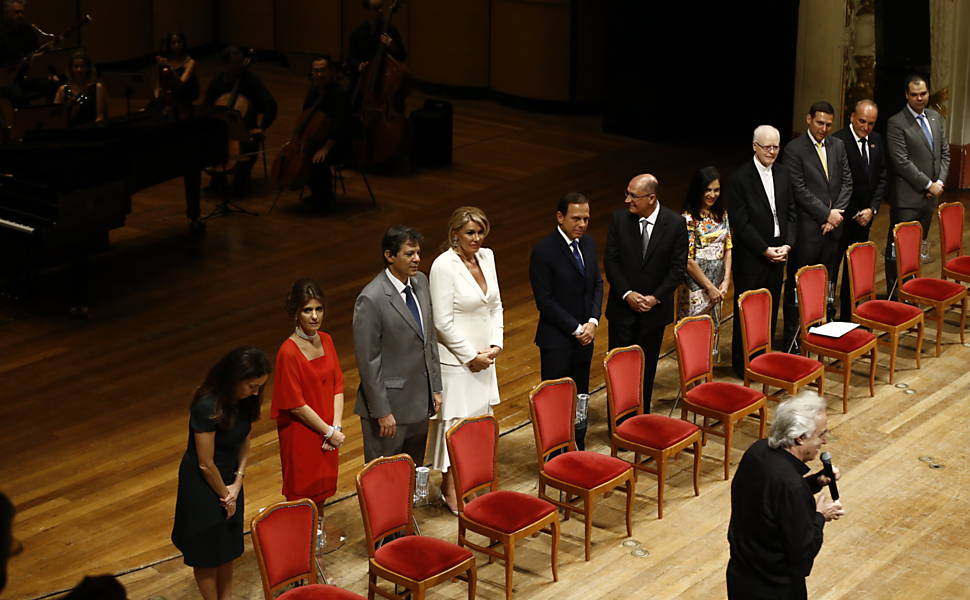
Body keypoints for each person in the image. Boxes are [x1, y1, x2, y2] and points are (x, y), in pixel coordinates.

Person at [171, 346, 270, 600]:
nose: (256, 392)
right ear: (234, 379)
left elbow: (245, 439)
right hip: (203, 485)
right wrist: (226, 494)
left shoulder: (246, 400)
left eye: (260, 386)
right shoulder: (207, 405)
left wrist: (238, 481)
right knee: (207, 552)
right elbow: (205, 463)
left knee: (228, 548)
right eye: (252, 386)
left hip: (230, 482)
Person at [726, 392, 845, 599]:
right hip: (774, 589)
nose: (824, 441)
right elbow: (803, 552)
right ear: (800, 437)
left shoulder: (758, 450)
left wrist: (816, 481)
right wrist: (820, 516)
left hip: (741, 577)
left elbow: (771, 502)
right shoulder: (791, 486)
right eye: (820, 434)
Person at [429, 207, 503, 514]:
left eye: (480, 232)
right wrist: (470, 356)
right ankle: (449, 486)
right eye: (470, 233)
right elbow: (442, 323)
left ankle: (470, 482)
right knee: (456, 425)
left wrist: (495, 344)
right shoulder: (443, 266)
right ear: (455, 233)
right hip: (458, 363)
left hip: (485, 358)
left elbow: (495, 304)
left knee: (478, 424)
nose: (476, 238)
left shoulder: (487, 257)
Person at [353, 225, 442, 465]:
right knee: (385, 477)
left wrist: (435, 387)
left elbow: (429, 339)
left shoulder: (421, 282)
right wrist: (382, 411)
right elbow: (368, 362)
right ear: (389, 256)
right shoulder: (371, 298)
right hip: (390, 409)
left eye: (418, 253)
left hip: (420, 403)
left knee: (411, 473)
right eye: (409, 254)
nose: (417, 259)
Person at [271, 279, 346, 549]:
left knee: (323, 488)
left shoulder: (326, 340)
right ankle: (296, 549)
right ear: (295, 312)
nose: (315, 316)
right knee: (303, 492)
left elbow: (338, 384)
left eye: (319, 309)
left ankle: (316, 537)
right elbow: (295, 404)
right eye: (307, 310)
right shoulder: (287, 352)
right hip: (303, 434)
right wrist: (328, 431)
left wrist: (335, 428)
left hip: (329, 432)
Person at [604, 173, 688, 412]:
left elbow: (677, 268)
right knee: (619, 368)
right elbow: (611, 262)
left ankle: (641, 419)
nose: (627, 200)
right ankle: (617, 424)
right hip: (623, 310)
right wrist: (627, 293)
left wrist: (654, 297)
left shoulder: (674, 224)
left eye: (633, 195)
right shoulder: (619, 220)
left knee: (646, 368)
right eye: (627, 193)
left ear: (651, 198)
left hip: (654, 313)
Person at [529, 192, 603, 449]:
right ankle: (555, 454)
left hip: (585, 339)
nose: (582, 224)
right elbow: (545, 301)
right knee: (555, 401)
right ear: (560, 217)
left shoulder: (589, 244)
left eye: (586, 218)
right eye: (576, 218)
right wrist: (576, 328)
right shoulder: (544, 250)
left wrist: (593, 321)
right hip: (557, 341)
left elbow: (596, 284)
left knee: (580, 396)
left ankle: (577, 447)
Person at [725, 125, 797, 378]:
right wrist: (765, 249)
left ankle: (763, 360)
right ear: (754, 146)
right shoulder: (739, 179)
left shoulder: (784, 174)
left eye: (776, 147)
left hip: (779, 252)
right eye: (767, 147)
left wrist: (787, 244)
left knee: (770, 306)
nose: (772, 151)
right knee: (748, 308)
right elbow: (741, 223)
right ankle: (742, 362)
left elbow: (790, 213)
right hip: (752, 256)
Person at [782, 101, 852, 349]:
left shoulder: (838, 145)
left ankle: (823, 331)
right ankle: (794, 337)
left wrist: (835, 216)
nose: (824, 128)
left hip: (833, 229)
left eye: (829, 124)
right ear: (809, 119)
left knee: (828, 280)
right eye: (820, 122)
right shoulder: (794, 149)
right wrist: (826, 215)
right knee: (800, 282)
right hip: (809, 230)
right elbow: (799, 190)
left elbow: (847, 182)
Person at [885, 75, 950, 295]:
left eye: (923, 94)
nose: (919, 98)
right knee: (899, 249)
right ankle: (895, 296)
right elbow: (901, 162)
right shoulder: (896, 122)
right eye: (914, 95)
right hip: (908, 199)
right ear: (906, 95)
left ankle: (911, 291)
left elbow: (944, 154)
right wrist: (928, 185)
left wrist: (939, 183)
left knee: (917, 250)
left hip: (930, 199)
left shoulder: (935, 118)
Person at [832, 99, 887, 319]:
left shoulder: (877, 140)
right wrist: (855, 212)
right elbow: (837, 184)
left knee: (855, 270)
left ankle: (849, 315)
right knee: (833, 270)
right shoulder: (838, 141)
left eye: (871, 123)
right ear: (852, 117)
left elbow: (882, 177)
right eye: (862, 121)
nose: (866, 127)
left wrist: (872, 209)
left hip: (866, 218)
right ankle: (827, 316)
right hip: (843, 219)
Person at [203, 45, 277, 197]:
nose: (239, 67)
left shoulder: (251, 81)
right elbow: (207, 106)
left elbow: (270, 104)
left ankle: (242, 178)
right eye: (235, 64)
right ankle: (218, 178)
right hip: (221, 128)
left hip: (246, 128)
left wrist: (262, 127)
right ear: (225, 64)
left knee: (249, 142)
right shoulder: (217, 82)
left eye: (240, 62)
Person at [299, 55, 352, 212]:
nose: (319, 74)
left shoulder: (340, 94)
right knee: (301, 158)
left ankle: (324, 197)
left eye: (323, 70)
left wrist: (326, 148)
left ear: (331, 71)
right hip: (316, 139)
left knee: (318, 160)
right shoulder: (313, 91)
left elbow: (341, 126)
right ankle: (317, 192)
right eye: (316, 71)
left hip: (338, 142)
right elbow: (305, 115)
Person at [680, 166, 732, 324]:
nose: (712, 195)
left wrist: (726, 280)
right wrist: (709, 287)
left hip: (718, 280)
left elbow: (728, 247)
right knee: (694, 328)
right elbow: (688, 260)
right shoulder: (688, 218)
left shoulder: (721, 214)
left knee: (713, 328)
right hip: (696, 282)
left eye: (716, 190)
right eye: (707, 190)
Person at [347, 0, 407, 84]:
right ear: (367, 11)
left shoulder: (391, 30)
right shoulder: (357, 32)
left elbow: (402, 55)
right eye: (376, 8)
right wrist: (359, 65)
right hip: (364, 79)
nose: (381, 10)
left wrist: (393, 46)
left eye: (382, 7)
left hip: (385, 78)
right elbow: (351, 57)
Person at [53, 51, 105, 127]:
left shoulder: (97, 87)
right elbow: (55, 116)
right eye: (76, 66)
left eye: (82, 66)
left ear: (88, 68)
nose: (79, 70)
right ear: (71, 69)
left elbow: (100, 116)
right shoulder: (62, 89)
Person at [154, 32, 199, 113]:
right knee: (153, 106)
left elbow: (180, 84)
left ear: (183, 44)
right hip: (170, 92)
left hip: (184, 93)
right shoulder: (166, 60)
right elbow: (159, 83)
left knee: (169, 108)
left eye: (179, 42)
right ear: (169, 45)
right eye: (173, 43)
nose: (176, 45)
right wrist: (156, 95)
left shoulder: (190, 62)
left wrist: (169, 67)